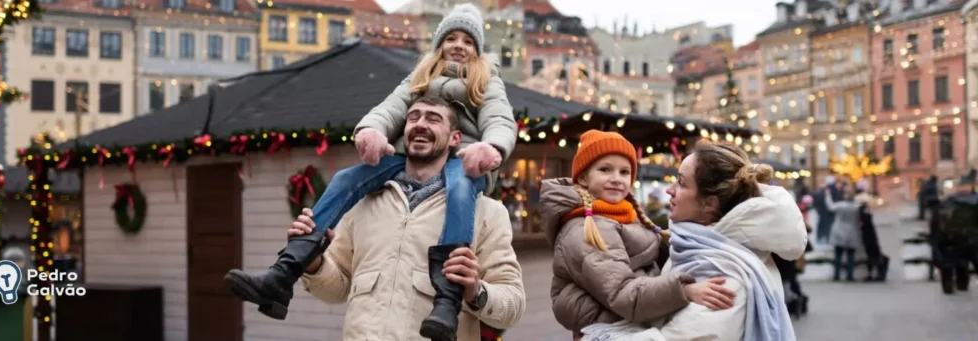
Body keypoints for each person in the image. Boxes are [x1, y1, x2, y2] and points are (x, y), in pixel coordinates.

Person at [223, 2, 517, 327]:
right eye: (451, 38)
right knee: (347, 178)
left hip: (467, 161)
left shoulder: (486, 80)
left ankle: (447, 299)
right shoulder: (420, 76)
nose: (459, 45)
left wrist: (491, 147)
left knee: (460, 189)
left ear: (477, 50)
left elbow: (500, 118)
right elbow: (390, 108)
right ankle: (285, 271)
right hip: (402, 160)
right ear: (438, 44)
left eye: (468, 41)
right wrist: (372, 130)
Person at [283, 96, 525, 340]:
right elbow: (337, 289)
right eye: (413, 117)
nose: (420, 124)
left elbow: (513, 306)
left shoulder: (487, 213)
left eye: (433, 119)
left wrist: (476, 291)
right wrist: (314, 264)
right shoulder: (363, 202)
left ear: (455, 138)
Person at [560, 141, 806, 341]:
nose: (670, 189)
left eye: (681, 182)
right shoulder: (696, 247)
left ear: (709, 203)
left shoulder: (725, 274)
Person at [541, 131, 736, 339]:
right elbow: (622, 292)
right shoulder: (586, 227)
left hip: (629, 315)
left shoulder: (624, 215)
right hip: (609, 327)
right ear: (583, 177)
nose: (616, 179)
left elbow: (651, 252)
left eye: (624, 172)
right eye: (605, 169)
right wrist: (684, 290)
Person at [932, 173, 978, 294]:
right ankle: (962, 284)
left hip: (949, 239)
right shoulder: (975, 201)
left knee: (948, 262)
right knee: (964, 261)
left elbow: (936, 220)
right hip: (972, 239)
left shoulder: (948, 201)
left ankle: (948, 286)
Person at [825, 185, 869, 282]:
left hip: (839, 231)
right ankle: (850, 275)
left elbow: (830, 207)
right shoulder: (857, 207)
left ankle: (836, 275)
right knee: (850, 255)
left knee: (838, 255)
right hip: (852, 232)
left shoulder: (840, 205)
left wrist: (828, 196)